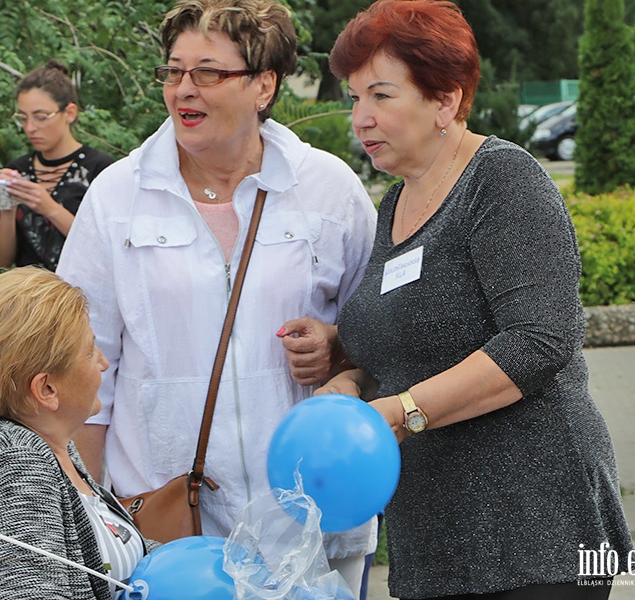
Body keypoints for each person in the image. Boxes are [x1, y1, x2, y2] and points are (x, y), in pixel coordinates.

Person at [56, 0, 377, 595]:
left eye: (209, 72)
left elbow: (380, 340)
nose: (184, 89)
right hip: (167, 533)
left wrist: (341, 356)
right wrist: (85, 509)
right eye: (174, 72)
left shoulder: (330, 191)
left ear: (264, 85)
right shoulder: (117, 197)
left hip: (312, 524)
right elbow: (81, 372)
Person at [320, 1, 634, 598]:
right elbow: (411, 338)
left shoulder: (502, 179)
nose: (361, 117)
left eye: (381, 96)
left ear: (445, 100)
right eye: (354, 97)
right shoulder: (395, 202)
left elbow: (540, 340)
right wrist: (349, 372)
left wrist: (403, 409)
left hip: (534, 528)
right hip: (436, 533)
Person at [0, 267, 153, 600]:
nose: (102, 363)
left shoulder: (46, 441)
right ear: (47, 389)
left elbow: (103, 548)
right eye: (89, 350)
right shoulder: (16, 463)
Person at [0, 60, 115, 271]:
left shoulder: (101, 169)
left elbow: (110, 249)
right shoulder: (18, 170)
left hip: (80, 298)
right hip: (30, 298)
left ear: (69, 113)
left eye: (41, 117)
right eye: (23, 118)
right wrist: (7, 209)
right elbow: (2, 261)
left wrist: (49, 208)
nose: (30, 128)